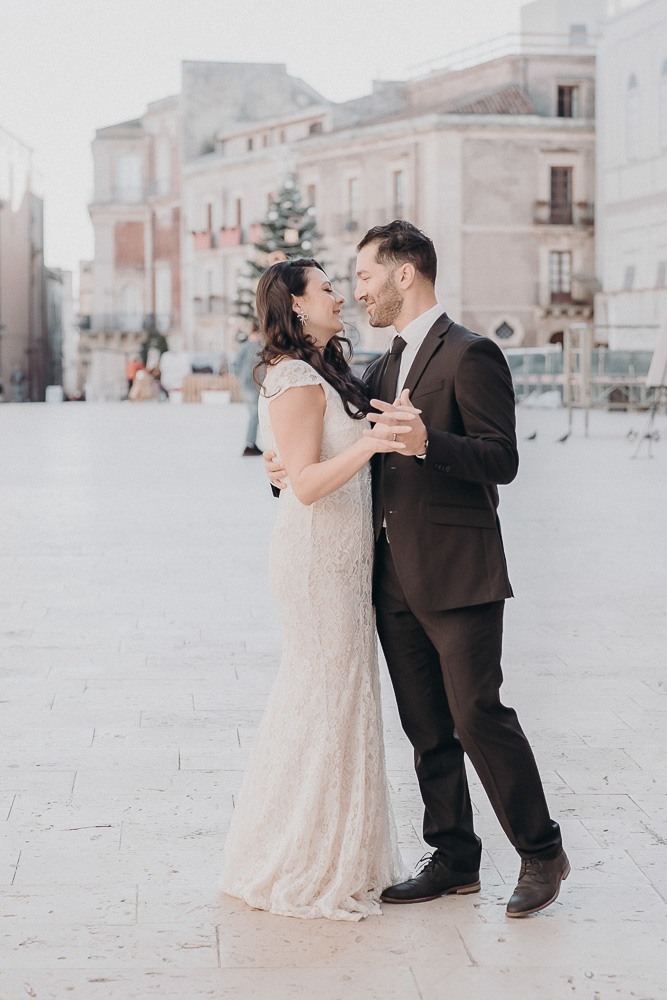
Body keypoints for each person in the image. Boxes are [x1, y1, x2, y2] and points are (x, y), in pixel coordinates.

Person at [265, 222, 569, 918]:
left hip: (459, 569)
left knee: (477, 713)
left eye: (365, 275)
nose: (358, 290)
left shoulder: (471, 353)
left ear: (405, 275)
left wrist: (432, 443)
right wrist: (280, 469)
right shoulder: (378, 366)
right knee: (424, 724)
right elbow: (328, 443)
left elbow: (502, 460)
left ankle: (541, 851)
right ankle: (454, 855)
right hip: (387, 575)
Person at [220, 258, 409, 921]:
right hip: (314, 559)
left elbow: (293, 465)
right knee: (320, 693)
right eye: (326, 286)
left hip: (345, 556)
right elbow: (301, 483)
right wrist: (373, 444)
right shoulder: (296, 375)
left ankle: (342, 849)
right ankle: (299, 855)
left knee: (340, 695)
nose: (340, 294)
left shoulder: (326, 370)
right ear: (296, 305)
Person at [233, 325, 263, 456]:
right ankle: (249, 444)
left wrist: (240, 378)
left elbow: (235, 365)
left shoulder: (243, 347)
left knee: (255, 415)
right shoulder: (256, 348)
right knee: (254, 415)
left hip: (246, 385)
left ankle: (251, 442)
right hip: (252, 385)